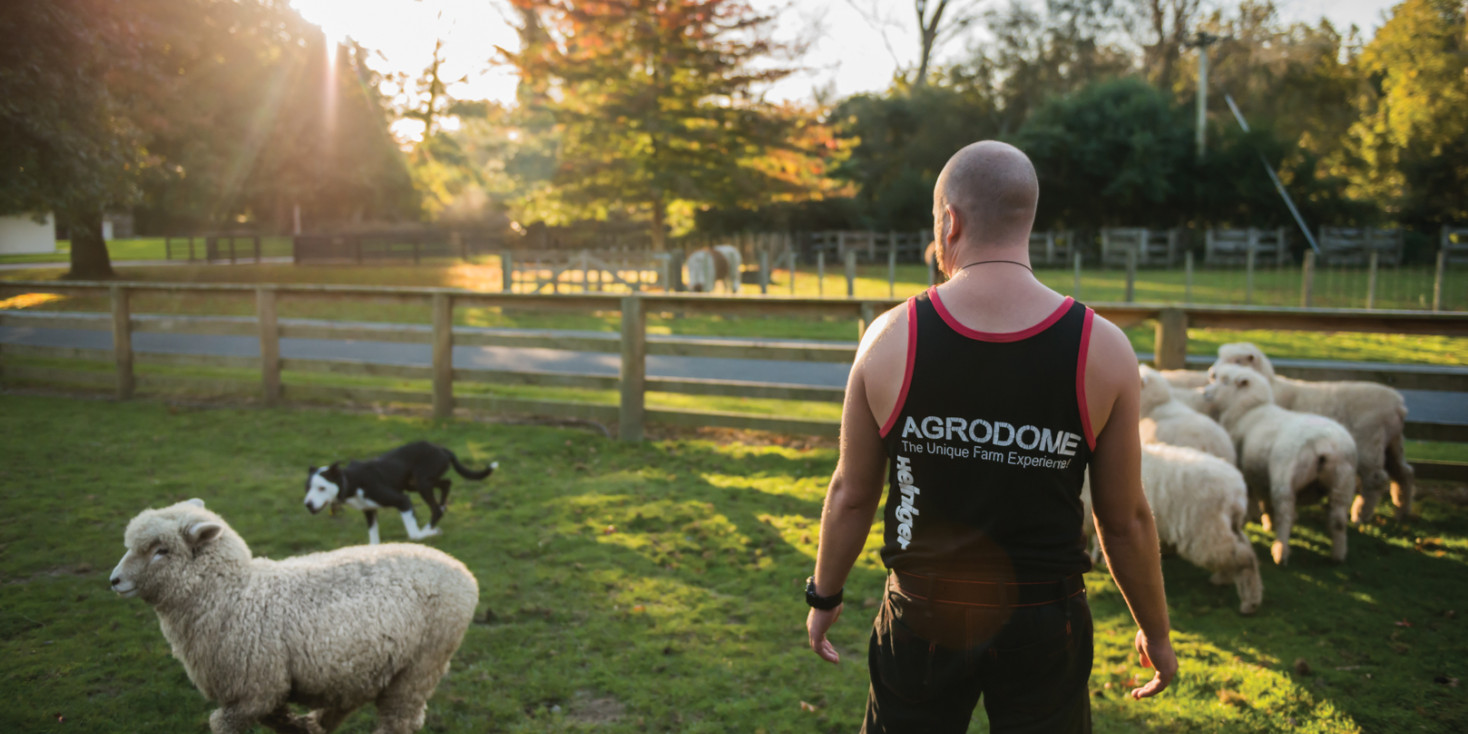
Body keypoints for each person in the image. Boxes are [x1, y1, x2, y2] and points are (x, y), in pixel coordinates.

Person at [804, 140, 1176, 733]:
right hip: (1045, 619)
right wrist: (1155, 631)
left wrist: (824, 596)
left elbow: (852, 490)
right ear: (1027, 218)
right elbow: (1125, 517)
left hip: (922, 610)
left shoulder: (890, 337)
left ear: (950, 221)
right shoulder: (1101, 347)